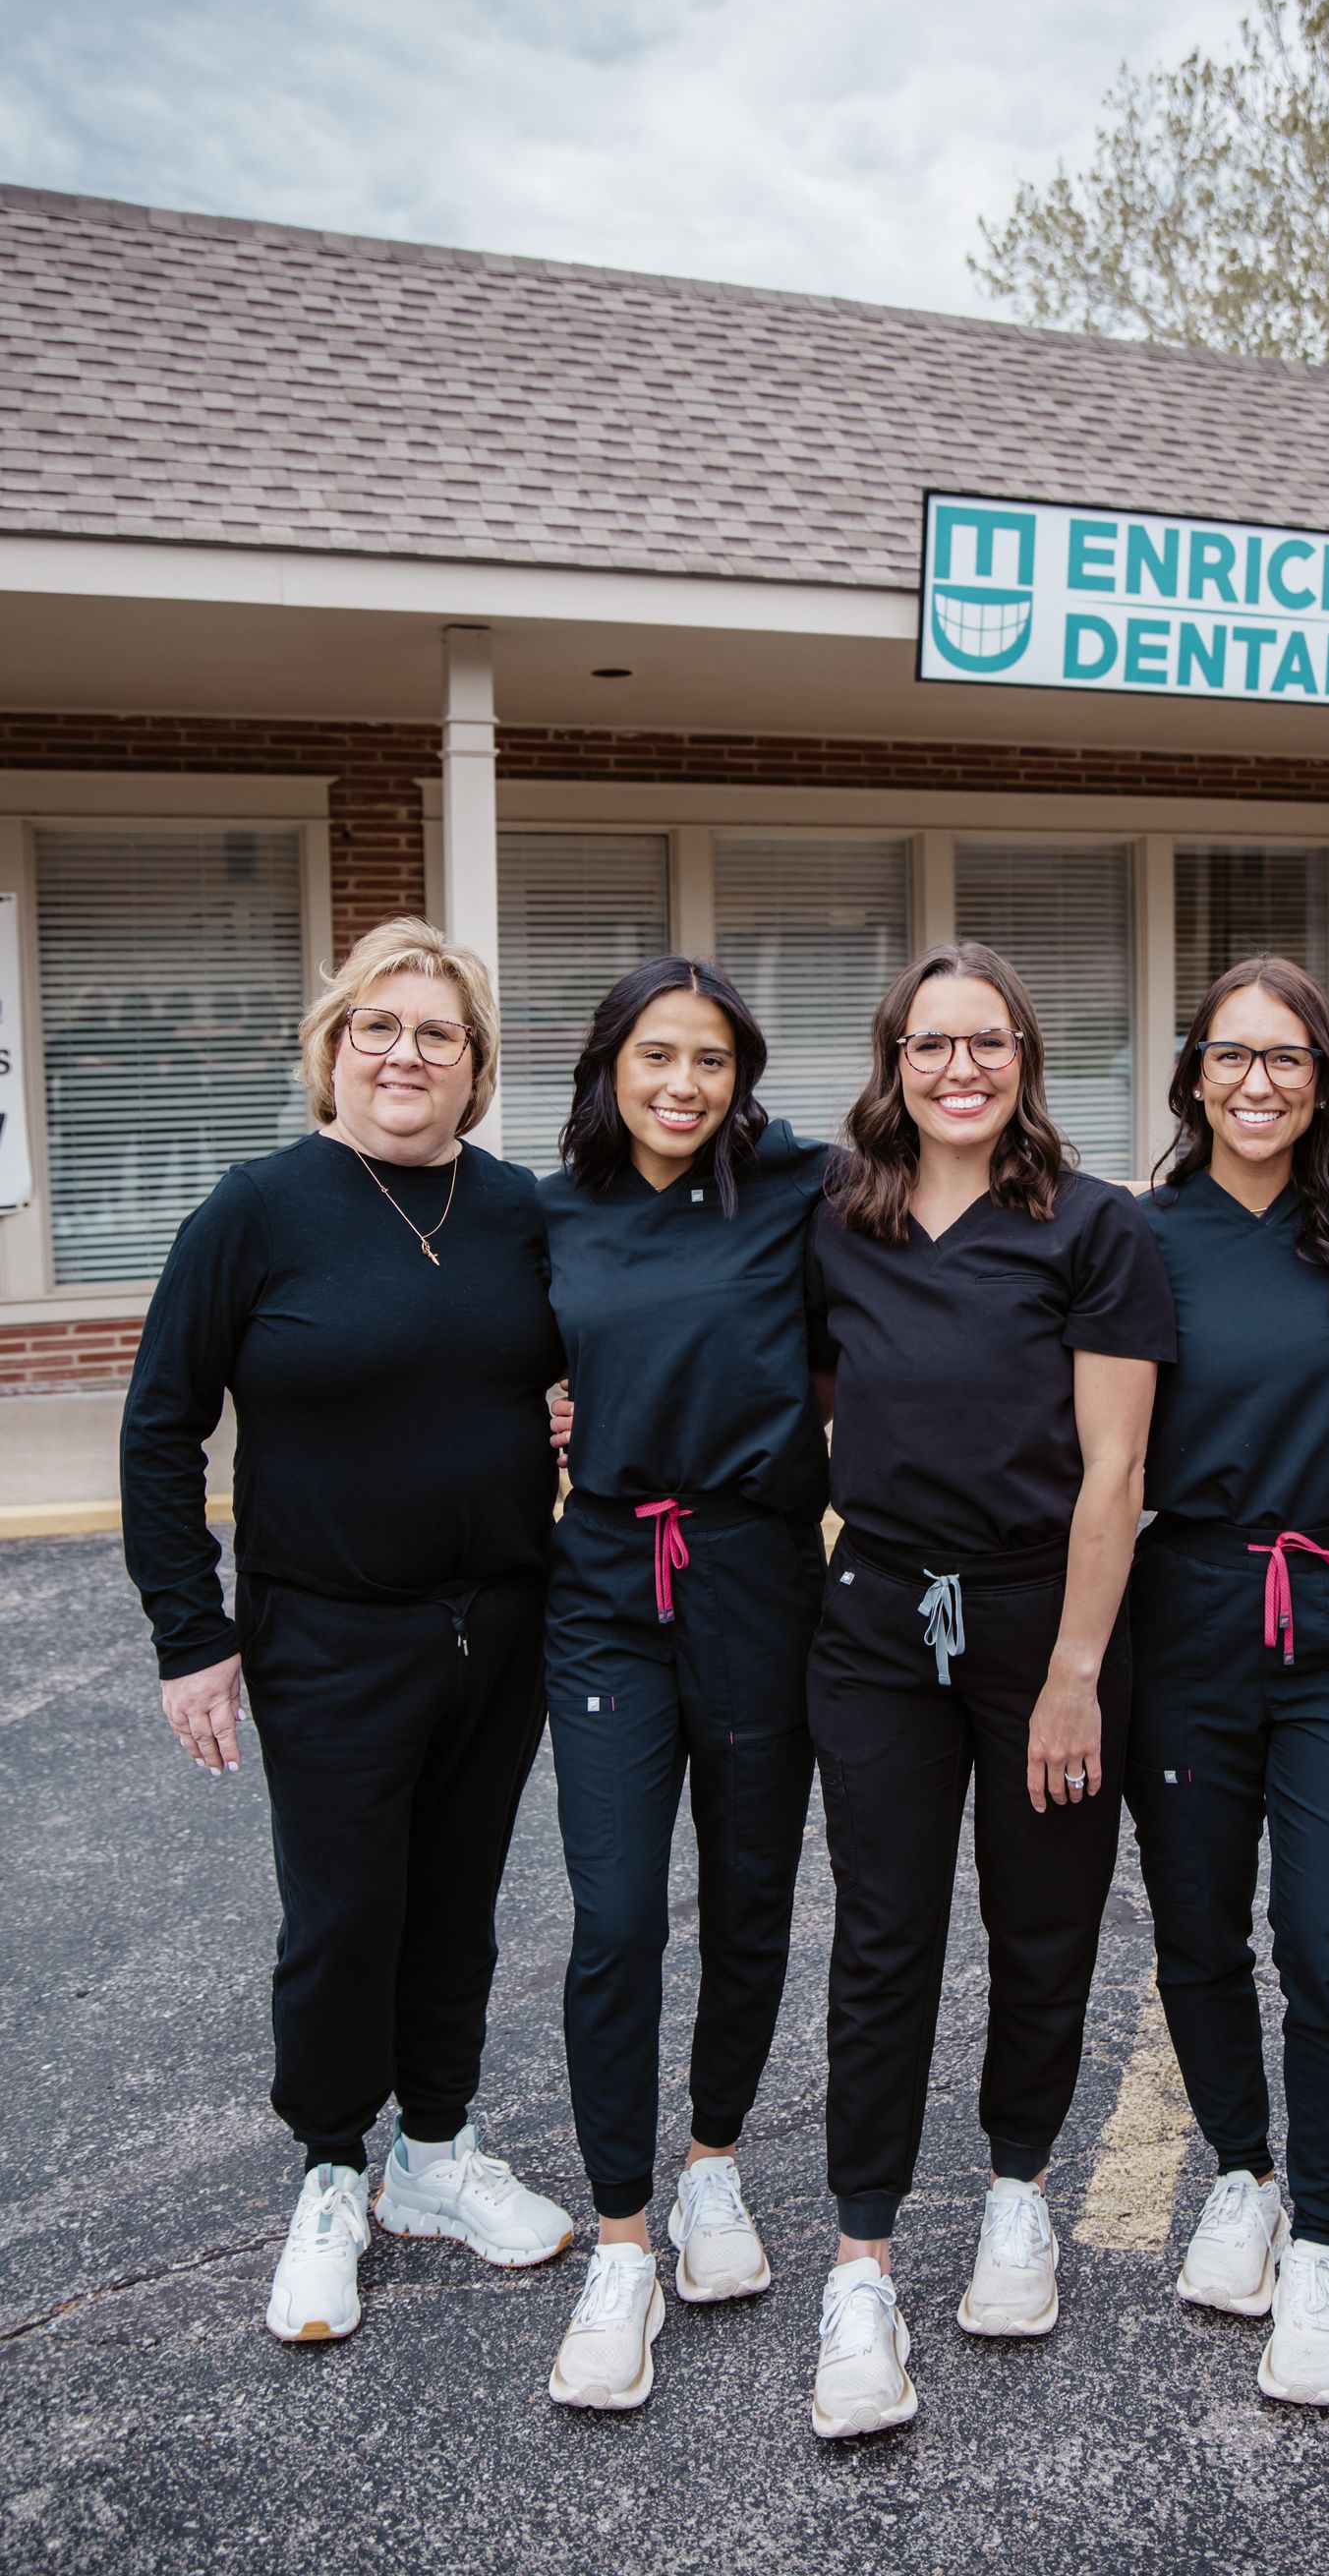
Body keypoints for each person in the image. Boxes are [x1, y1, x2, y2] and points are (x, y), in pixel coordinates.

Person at [121, 918, 573, 2348]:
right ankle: (331, 2169)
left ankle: (433, 2158)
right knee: (343, 1919)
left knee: (456, 1906)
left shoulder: (520, 1216)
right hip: (327, 1634)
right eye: (378, 1026)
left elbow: (596, 1362)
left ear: (476, 1065)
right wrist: (190, 1635)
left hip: (502, 1626)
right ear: (334, 1046)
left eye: (437, 1033)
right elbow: (158, 1431)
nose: (405, 1054)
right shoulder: (255, 1211)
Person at [802, 942, 1176, 2439]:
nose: (960, 1069)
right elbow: (830, 1397)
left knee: (1043, 1925)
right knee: (883, 1935)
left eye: (989, 1043)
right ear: (893, 1063)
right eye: (930, 1045)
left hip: (1046, 1622)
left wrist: (1076, 1673)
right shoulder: (839, 1218)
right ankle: (863, 2259)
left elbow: (1117, 1467)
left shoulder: (1093, 1229)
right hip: (880, 1619)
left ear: (1027, 1059)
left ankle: (1018, 2188)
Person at [537, 959, 830, 2412]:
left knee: (751, 1893)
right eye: (657, 1055)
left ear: (742, 1078)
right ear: (611, 1067)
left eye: (712, 1061)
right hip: (603, 1587)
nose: (683, 1084)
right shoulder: (553, 1210)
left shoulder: (801, 1190)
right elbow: (483, 1366)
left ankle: (713, 2164)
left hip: (762, 1576)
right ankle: (620, 2238)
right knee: (615, 1915)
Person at [1129, 956, 1329, 2406]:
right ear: (1194, 1076)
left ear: (1323, 1081)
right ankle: (1238, 2171)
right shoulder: (1137, 1236)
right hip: (1183, 1612)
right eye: (1231, 1058)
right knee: (1196, 1929)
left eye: (1288, 1059)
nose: (1257, 1084)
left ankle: (1319, 2241)